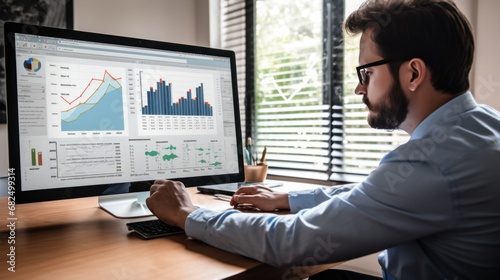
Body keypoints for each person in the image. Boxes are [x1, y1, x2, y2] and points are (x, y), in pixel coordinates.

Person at [145, 0, 500, 279]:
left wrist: (188, 213)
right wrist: (289, 198)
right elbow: (376, 194)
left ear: (413, 72)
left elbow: (291, 242)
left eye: (367, 72)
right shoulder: (480, 127)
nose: (359, 87)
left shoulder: (432, 161)